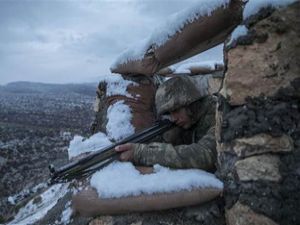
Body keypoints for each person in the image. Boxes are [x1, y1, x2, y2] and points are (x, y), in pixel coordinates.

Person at [115, 76, 217, 171]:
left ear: (191, 103)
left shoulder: (218, 114)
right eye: (169, 113)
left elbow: (204, 156)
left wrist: (142, 153)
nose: (173, 119)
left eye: (176, 110)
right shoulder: (191, 120)